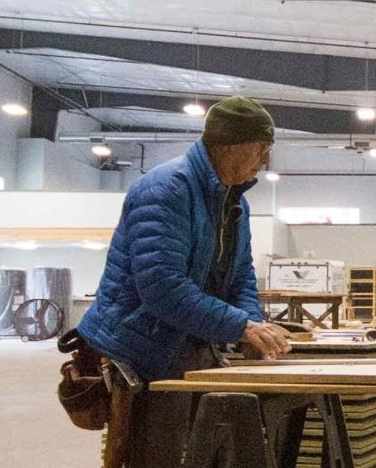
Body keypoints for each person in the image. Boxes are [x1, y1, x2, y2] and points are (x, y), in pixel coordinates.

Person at [74, 95, 292, 465]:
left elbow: (241, 275)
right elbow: (161, 287)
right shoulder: (167, 189)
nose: (265, 161)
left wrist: (252, 327)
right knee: (158, 455)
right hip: (142, 350)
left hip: (183, 343)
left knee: (217, 447)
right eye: (262, 149)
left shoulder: (234, 199)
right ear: (234, 146)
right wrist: (238, 325)